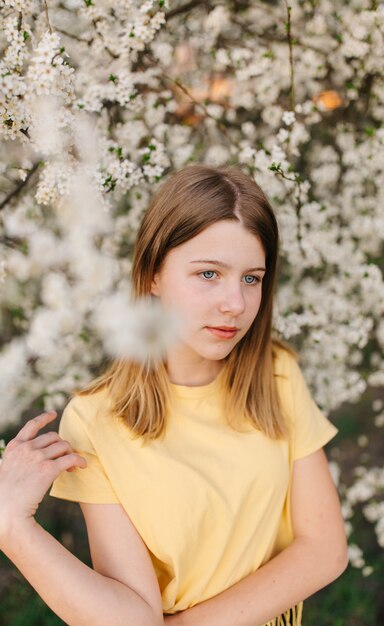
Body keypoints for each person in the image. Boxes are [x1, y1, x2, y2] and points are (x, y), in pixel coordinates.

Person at [0, 164, 348, 626]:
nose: (235, 304)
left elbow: (325, 550)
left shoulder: (276, 375)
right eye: (209, 274)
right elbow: (130, 615)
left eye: (252, 278)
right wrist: (11, 526)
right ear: (153, 276)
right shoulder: (96, 421)